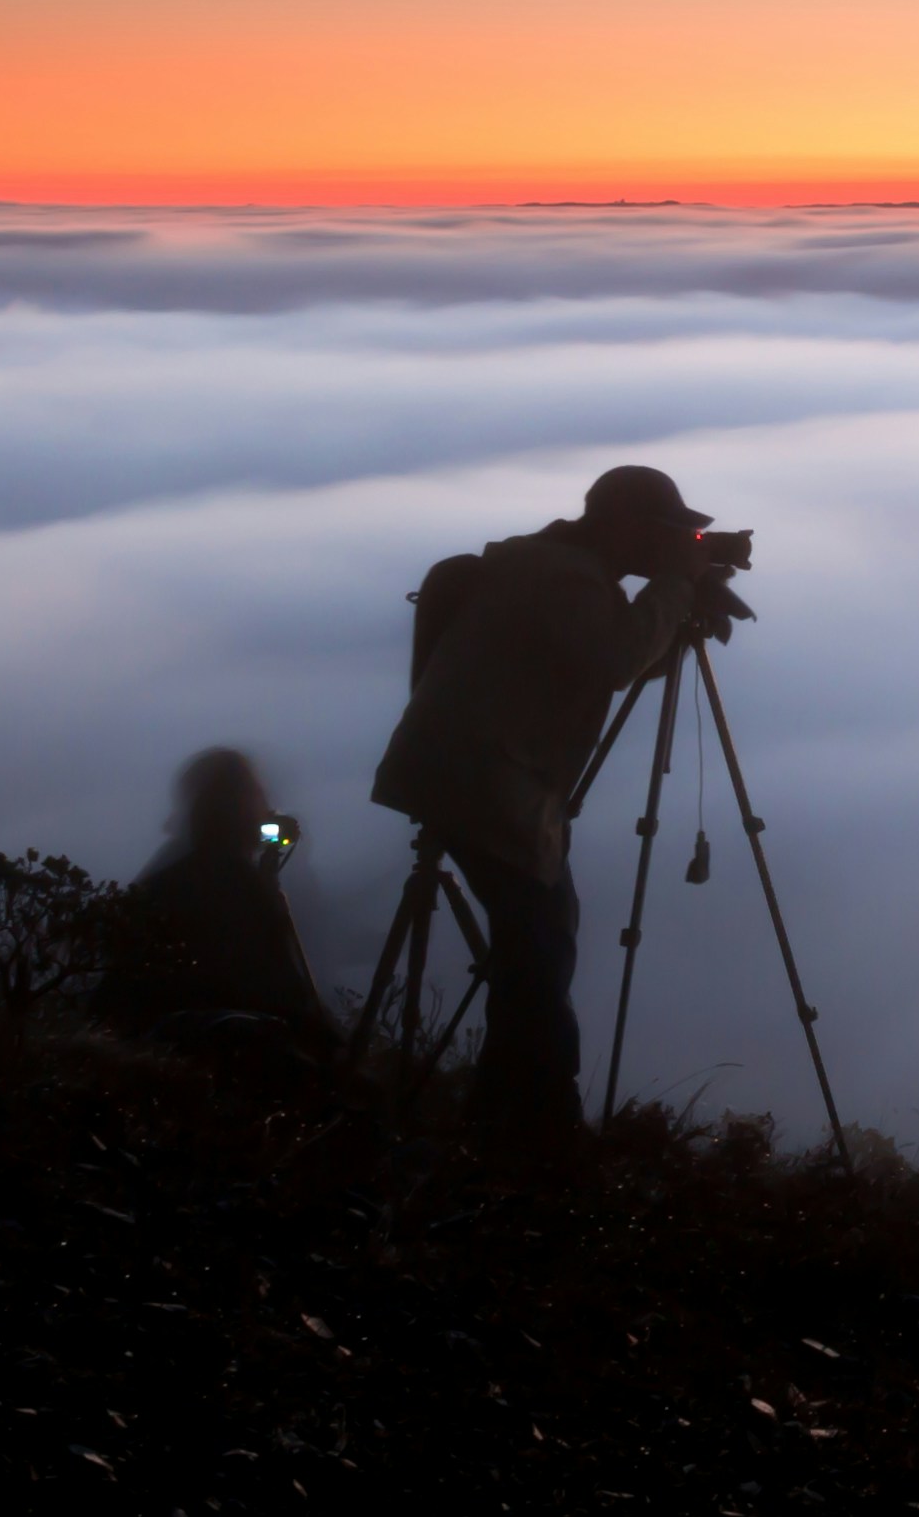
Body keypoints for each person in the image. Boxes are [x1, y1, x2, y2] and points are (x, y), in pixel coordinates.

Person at [368, 463, 750, 1156]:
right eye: (666, 530)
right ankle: (537, 1127)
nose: (673, 541)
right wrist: (677, 583)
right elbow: (612, 661)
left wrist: (683, 590)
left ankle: (502, 1111)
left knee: (538, 938)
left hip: (464, 776)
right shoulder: (562, 575)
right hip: (485, 785)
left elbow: (596, 656)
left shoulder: (555, 568)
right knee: (540, 945)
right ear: (624, 526)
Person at [95, 746, 339, 1059]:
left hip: (148, 1040)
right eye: (256, 795)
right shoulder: (228, 881)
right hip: (198, 1049)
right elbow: (277, 993)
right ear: (233, 805)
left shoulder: (173, 870)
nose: (268, 809)